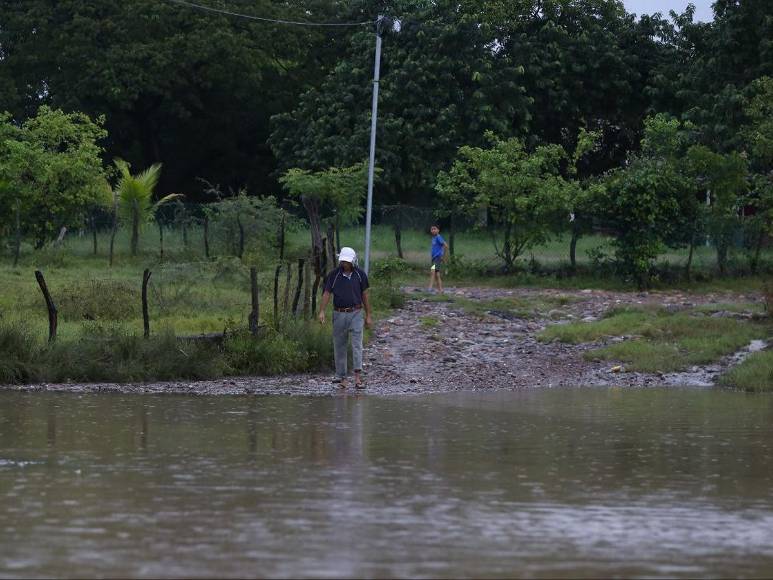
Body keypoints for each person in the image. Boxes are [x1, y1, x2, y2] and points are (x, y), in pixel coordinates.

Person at [318, 247, 373, 389]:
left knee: (356, 345)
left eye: (347, 262)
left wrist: (368, 315)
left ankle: (357, 377)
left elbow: (365, 295)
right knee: (340, 345)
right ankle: (342, 378)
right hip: (339, 313)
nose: (345, 264)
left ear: (353, 261)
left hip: (356, 312)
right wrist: (322, 311)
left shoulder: (360, 275)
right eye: (343, 261)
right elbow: (327, 293)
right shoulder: (334, 275)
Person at [428, 224, 449, 293]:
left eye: (435, 229)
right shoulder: (433, 238)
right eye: (432, 229)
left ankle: (430, 288)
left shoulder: (438, 237)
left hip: (437, 257)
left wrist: (442, 255)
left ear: (438, 230)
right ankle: (440, 290)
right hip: (434, 258)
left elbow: (446, 246)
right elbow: (434, 248)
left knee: (432, 272)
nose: (433, 230)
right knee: (437, 274)